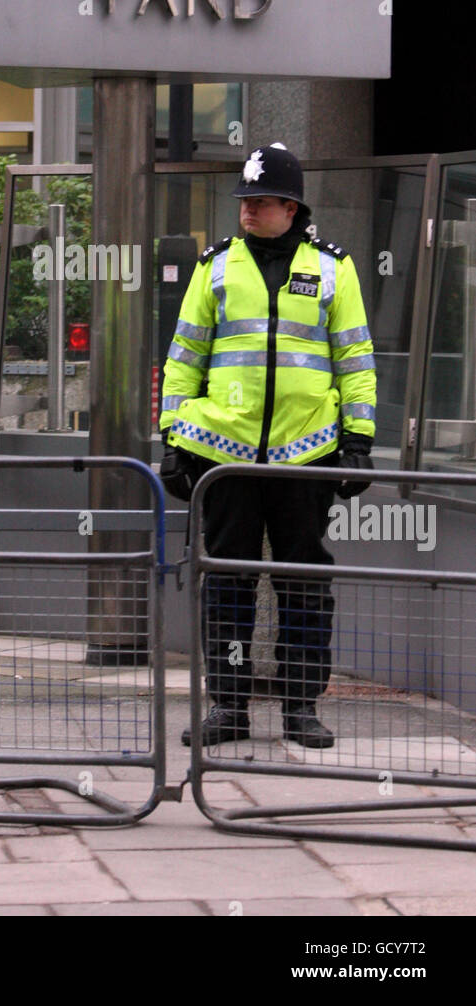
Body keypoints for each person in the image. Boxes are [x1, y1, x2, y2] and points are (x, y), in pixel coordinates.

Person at [159, 143, 376, 749]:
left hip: (304, 454)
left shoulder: (334, 266)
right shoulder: (216, 266)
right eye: (244, 201)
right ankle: (228, 707)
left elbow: (355, 357)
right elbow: (184, 357)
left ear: (292, 206)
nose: (247, 211)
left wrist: (358, 439)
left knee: (303, 583)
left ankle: (300, 706)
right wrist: (172, 439)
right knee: (227, 584)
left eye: (259, 202)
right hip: (223, 453)